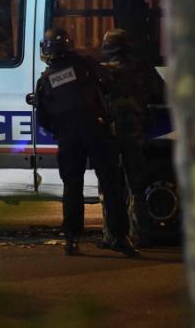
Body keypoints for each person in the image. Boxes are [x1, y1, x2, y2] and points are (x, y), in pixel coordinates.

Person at [33, 28, 136, 257]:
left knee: (72, 188)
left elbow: (43, 119)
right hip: (95, 130)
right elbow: (110, 85)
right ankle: (119, 238)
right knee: (111, 186)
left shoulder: (45, 80)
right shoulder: (86, 64)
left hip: (68, 137)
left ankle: (71, 239)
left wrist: (61, 130)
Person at [99, 28, 167, 248]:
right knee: (136, 188)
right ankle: (139, 235)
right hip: (135, 135)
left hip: (109, 137)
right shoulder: (143, 69)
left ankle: (112, 236)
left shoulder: (102, 71)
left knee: (110, 188)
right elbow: (162, 93)